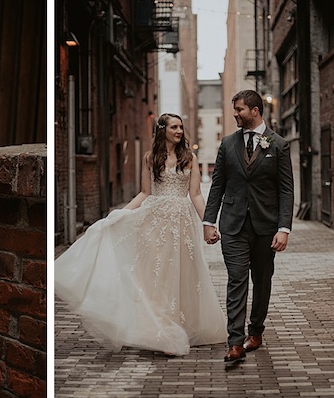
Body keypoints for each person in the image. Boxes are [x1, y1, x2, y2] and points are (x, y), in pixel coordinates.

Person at [54, 113, 225, 356]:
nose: (179, 131)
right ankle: (160, 330)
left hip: (181, 223)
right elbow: (145, 193)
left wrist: (208, 223)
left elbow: (195, 194)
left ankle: (179, 325)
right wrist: (120, 215)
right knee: (156, 276)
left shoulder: (189, 158)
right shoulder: (150, 158)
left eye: (181, 127)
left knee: (181, 274)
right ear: (162, 130)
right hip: (155, 222)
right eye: (174, 127)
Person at [203, 90, 294, 364]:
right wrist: (209, 221)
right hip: (233, 225)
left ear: (255, 110)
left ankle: (255, 331)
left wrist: (284, 228)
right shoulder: (228, 144)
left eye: (239, 109)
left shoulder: (278, 144)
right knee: (237, 279)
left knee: (262, 281)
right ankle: (234, 342)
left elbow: (286, 190)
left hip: (266, 226)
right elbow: (217, 184)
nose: (235, 114)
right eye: (234, 109)